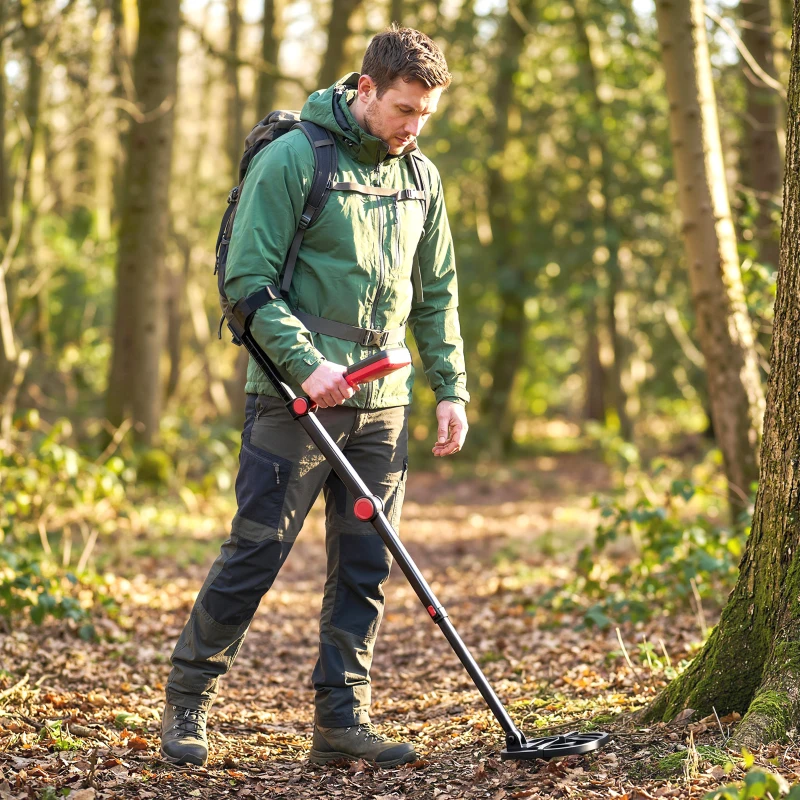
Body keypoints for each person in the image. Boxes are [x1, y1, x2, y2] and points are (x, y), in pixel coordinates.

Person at [161, 26, 469, 769]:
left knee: (367, 566)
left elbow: (437, 297)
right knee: (256, 553)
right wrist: (305, 366)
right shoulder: (295, 158)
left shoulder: (420, 177)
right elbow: (247, 281)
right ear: (365, 89)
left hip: (382, 404)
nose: (413, 127)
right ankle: (187, 704)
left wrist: (450, 389)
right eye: (403, 110)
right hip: (291, 402)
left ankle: (341, 721)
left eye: (426, 115)